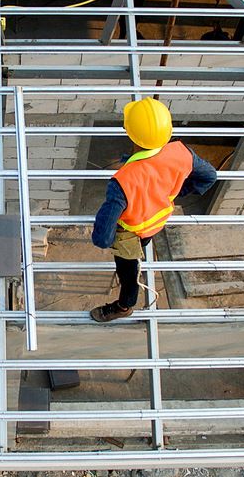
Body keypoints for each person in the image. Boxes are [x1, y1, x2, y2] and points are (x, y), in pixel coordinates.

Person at [90, 97, 218, 322]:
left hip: (132, 231)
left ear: (130, 134)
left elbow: (102, 238)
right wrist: (174, 192)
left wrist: (111, 241)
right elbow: (209, 176)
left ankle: (124, 306)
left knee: (128, 270)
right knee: (140, 248)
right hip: (154, 223)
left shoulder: (123, 181)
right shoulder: (181, 153)